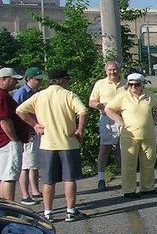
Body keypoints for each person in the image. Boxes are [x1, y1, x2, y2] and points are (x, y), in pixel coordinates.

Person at [16, 68, 90, 222]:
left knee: (49, 180)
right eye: (68, 79)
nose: (69, 82)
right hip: (68, 142)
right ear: (62, 80)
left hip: (47, 143)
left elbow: (20, 110)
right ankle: (70, 210)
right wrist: (80, 130)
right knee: (70, 179)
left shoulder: (39, 96)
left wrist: (35, 124)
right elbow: (83, 112)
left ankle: (48, 212)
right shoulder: (68, 95)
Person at [105, 73, 157, 198]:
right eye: (131, 84)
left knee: (148, 162)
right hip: (129, 136)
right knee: (129, 164)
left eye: (137, 85)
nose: (133, 87)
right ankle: (129, 190)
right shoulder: (122, 97)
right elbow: (108, 109)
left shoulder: (150, 96)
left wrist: (154, 119)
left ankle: (147, 188)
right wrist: (120, 121)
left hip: (148, 135)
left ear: (142, 85)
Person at [88, 61, 125, 190]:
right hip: (107, 119)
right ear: (106, 71)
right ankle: (101, 179)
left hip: (124, 119)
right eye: (109, 70)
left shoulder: (126, 84)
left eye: (115, 70)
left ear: (119, 70)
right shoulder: (100, 84)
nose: (112, 72)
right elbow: (91, 102)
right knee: (105, 149)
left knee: (126, 149)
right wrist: (101, 105)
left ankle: (127, 177)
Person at [13, 67, 44, 204]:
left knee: (34, 164)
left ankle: (35, 190)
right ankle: (25, 195)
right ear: (29, 79)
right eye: (38, 79)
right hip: (27, 133)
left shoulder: (37, 93)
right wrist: (24, 131)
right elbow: (17, 114)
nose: (40, 82)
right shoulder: (21, 94)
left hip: (35, 132)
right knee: (26, 165)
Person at [0, 68, 32, 203]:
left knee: (4, 176)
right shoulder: (2, 96)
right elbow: (4, 120)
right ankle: (9, 210)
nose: (16, 83)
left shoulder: (4, 95)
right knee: (9, 177)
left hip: (5, 141)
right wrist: (14, 140)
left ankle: (4, 209)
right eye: (14, 80)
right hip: (8, 142)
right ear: (4, 79)